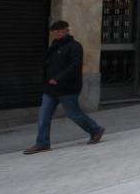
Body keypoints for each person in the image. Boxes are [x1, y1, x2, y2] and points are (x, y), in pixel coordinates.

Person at [24, 20, 104, 154]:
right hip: (50, 88)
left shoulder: (75, 46)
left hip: (67, 88)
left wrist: (58, 78)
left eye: (60, 30)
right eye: (55, 31)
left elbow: (75, 66)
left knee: (74, 114)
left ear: (67, 30)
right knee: (43, 115)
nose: (57, 33)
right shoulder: (54, 46)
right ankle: (42, 143)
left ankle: (95, 130)